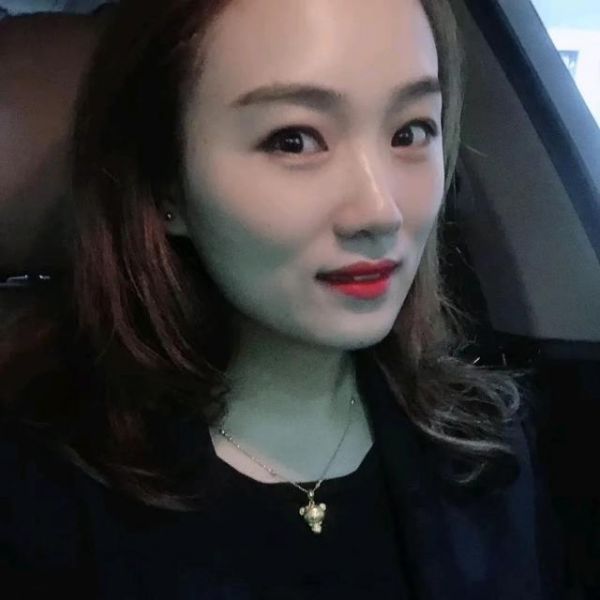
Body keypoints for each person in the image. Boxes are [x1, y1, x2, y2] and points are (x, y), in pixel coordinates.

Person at [0, 0, 565, 597]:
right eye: (293, 140)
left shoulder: (489, 443)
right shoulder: (35, 494)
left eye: (410, 132)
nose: (381, 211)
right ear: (166, 184)